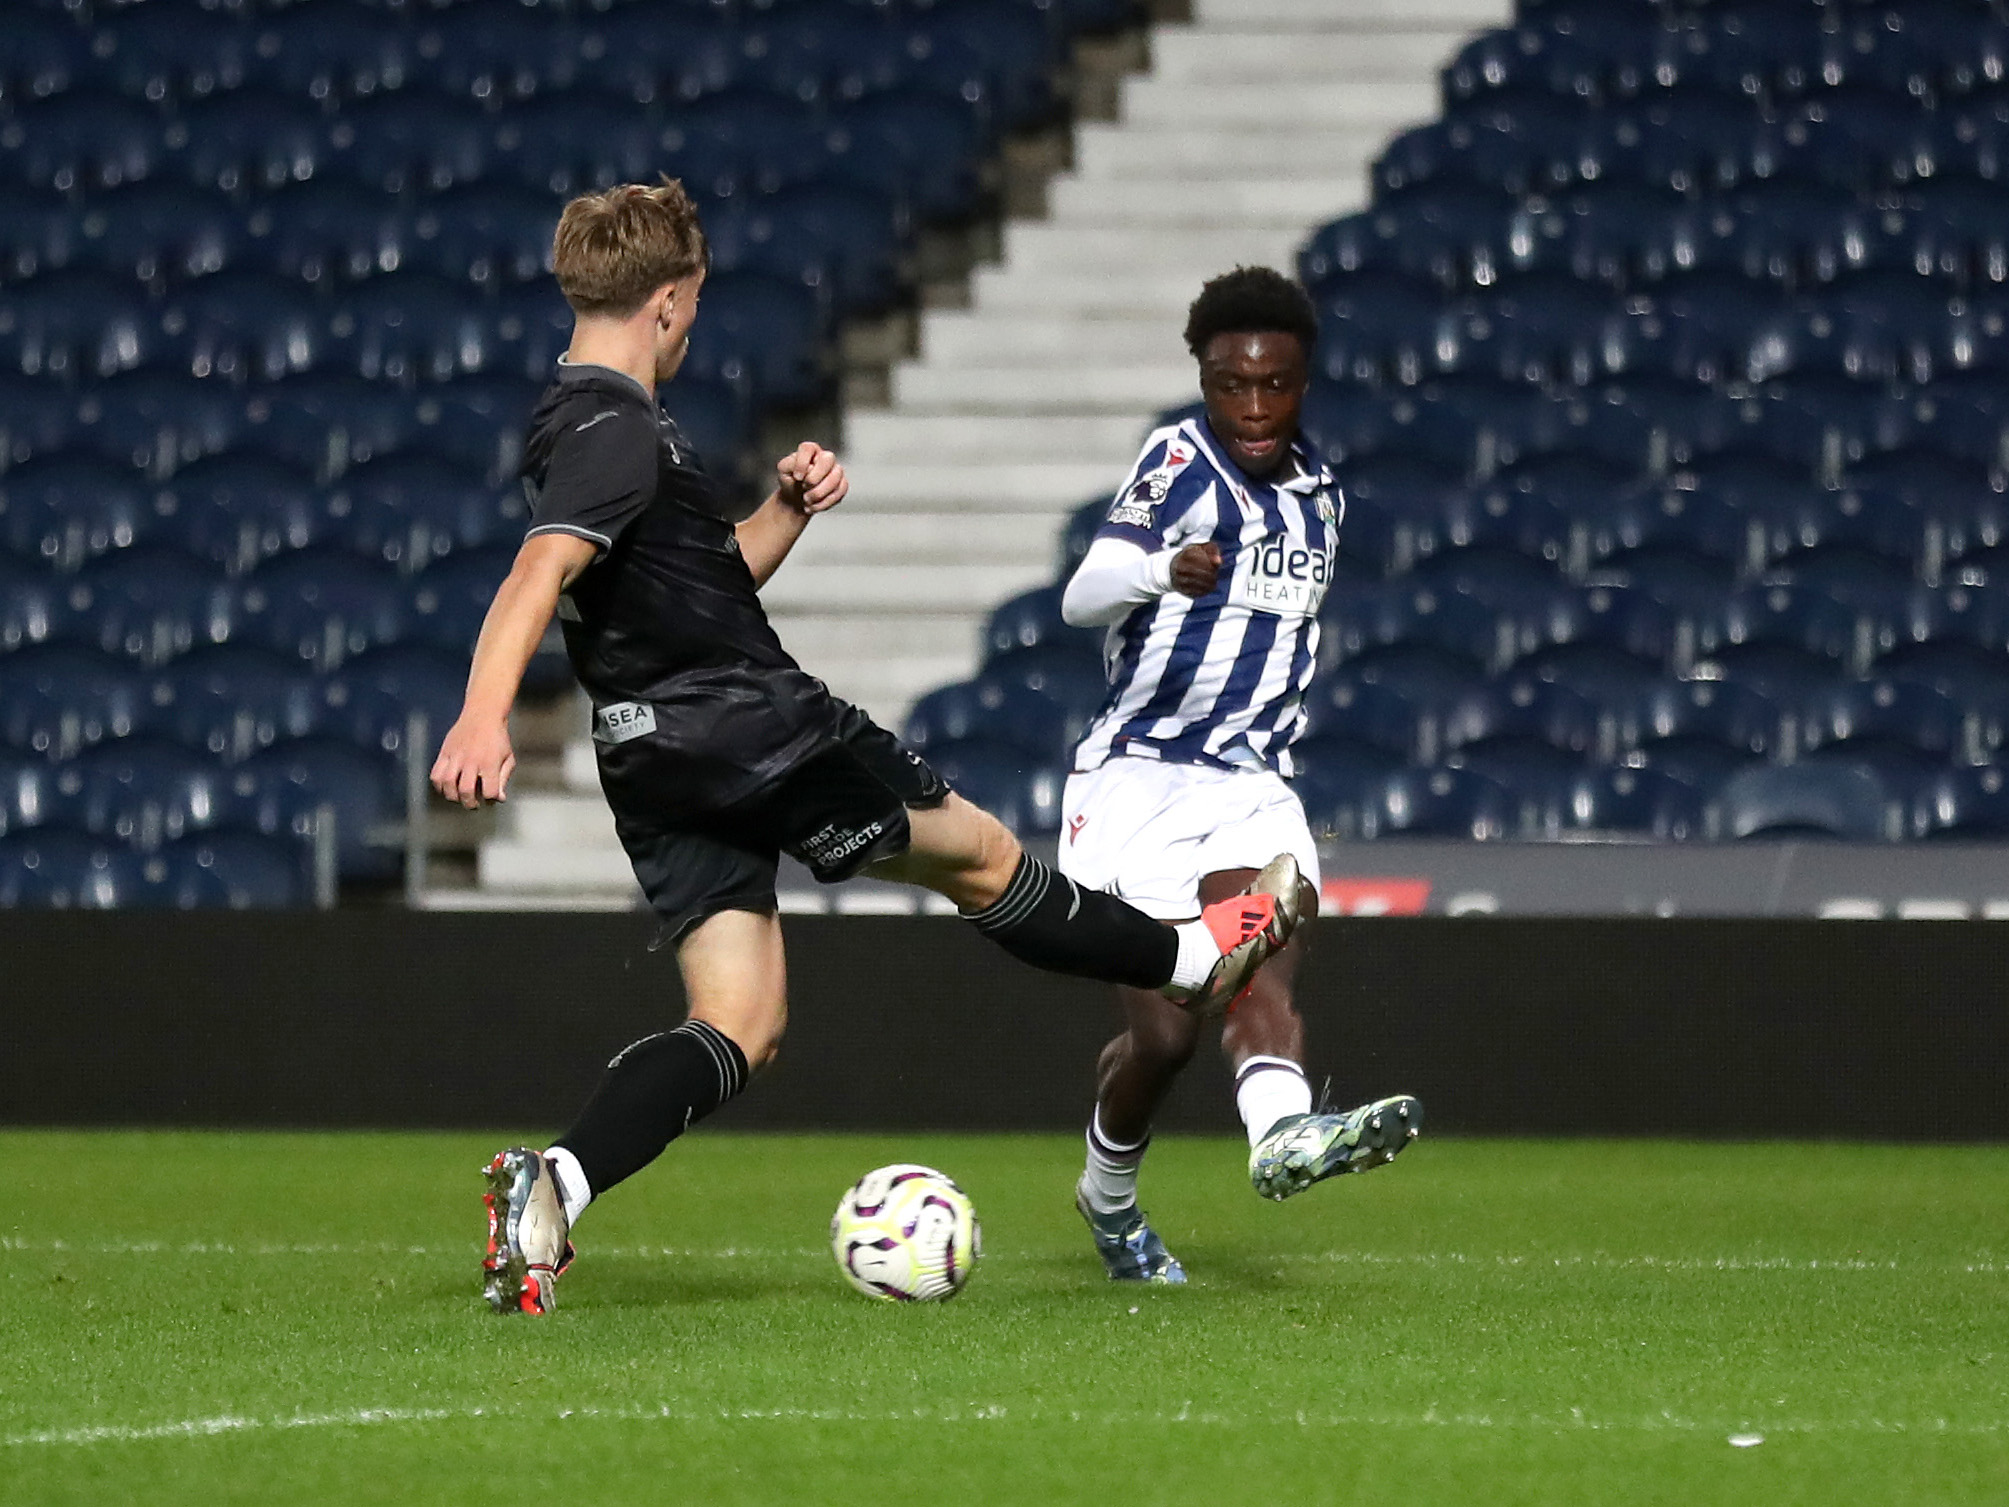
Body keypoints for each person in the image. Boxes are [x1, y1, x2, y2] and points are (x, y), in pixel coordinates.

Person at [428, 182, 1306, 1314]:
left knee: (738, 1021)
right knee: (981, 856)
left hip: (650, 753)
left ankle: (558, 1181)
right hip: (749, 724)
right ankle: (1194, 958)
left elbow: (698, 586)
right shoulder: (619, 430)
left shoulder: (574, 420)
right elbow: (535, 575)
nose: (691, 324)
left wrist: (785, 508)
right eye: (691, 304)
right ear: (666, 299)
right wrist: (480, 713)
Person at [1056, 266, 1421, 1284]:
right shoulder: (1175, 462)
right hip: (1132, 784)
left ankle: (1280, 1135)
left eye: (1274, 385)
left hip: (1244, 786)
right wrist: (1157, 570)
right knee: (1163, 1040)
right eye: (1230, 385)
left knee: (1264, 934)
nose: (1252, 408)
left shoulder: (1322, 501)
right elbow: (1082, 598)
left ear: (1303, 381)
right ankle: (1108, 1198)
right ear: (1204, 380)